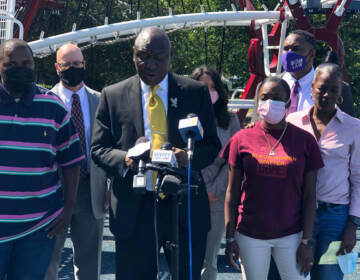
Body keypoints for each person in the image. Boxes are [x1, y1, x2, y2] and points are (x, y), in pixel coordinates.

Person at [91, 27, 221, 280]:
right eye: (143, 56)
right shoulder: (113, 95)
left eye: (158, 57)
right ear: (133, 54)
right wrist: (126, 159)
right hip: (134, 206)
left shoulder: (194, 92)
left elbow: (211, 145)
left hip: (183, 206)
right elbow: (98, 149)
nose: (149, 64)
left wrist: (188, 156)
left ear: (171, 55)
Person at [222, 77, 324, 280]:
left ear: (288, 102)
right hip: (250, 233)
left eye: (277, 97)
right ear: (258, 101)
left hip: (291, 234)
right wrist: (230, 237)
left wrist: (306, 241)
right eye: (265, 97)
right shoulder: (241, 139)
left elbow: (310, 196)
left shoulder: (305, 141)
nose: (270, 102)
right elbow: (232, 192)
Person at [0, 39, 84, 279]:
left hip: (37, 227)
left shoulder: (53, 106)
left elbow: (72, 162)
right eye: (11, 63)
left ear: (34, 65)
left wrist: (68, 208)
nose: (20, 68)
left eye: (26, 63)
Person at [287, 63, 360, 280]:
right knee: (296, 274)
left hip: (335, 218)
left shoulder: (354, 128)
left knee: (328, 275)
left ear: (340, 93)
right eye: (322, 88)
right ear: (312, 88)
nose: (327, 94)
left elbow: (358, 178)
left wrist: (352, 224)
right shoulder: (292, 123)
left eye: (334, 90)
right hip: (296, 215)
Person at [45, 43, 107, 280]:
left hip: (90, 189)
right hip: (54, 190)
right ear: (57, 67)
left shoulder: (101, 100)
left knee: (90, 262)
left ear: (84, 64)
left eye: (77, 64)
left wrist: (107, 189)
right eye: (67, 65)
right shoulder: (46, 101)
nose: (73, 68)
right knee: (49, 258)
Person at [190, 66, 240, 280]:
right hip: (189, 194)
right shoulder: (183, 117)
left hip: (215, 199)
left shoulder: (230, 121)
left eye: (212, 87)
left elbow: (233, 162)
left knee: (208, 259)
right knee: (186, 254)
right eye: (202, 87)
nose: (208, 91)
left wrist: (212, 190)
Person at [281, 30, 354, 116]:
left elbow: (348, 125)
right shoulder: (269, 85)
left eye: (295, 49)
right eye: (286, 48)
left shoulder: (339, 88)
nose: (289, 53)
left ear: (312, 53)